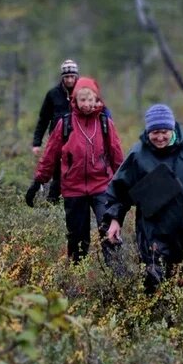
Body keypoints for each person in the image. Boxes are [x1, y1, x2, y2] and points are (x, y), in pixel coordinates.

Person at [103, 104, 183, 292]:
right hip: (152, 229)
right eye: (155, 132)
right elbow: (120, 189)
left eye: (164, 132)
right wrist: (115, 219)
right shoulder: (138, 154)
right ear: (148, 131)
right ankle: (155, 306)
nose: (160, 137)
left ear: (172, 128)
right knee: (154, 280)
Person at [29, 77, 125, 264]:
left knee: (109, 231)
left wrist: (124, 186)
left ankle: (117, 273)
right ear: (75, 100)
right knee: (77, 239)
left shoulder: (105, 123)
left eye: (90, 99)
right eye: (82, 100)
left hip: (102, 187)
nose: (87, 104)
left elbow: (117, 156)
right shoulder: (65, 124)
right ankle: (76, 274)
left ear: (96, 99)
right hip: (73, 189)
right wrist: (39, 180)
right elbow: (50, 155)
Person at [30, 59, 79, 204]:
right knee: (57, 174)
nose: (69, 80)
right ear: (62, 77)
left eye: (72, 76)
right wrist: (36, 143)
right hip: (57, 142)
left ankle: (72, 203)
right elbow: (43, 120)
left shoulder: (83, 93)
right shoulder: (53, 94)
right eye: (66, 77)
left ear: (76, 76)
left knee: (75, 174)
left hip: (78, 142)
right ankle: (52, 203)